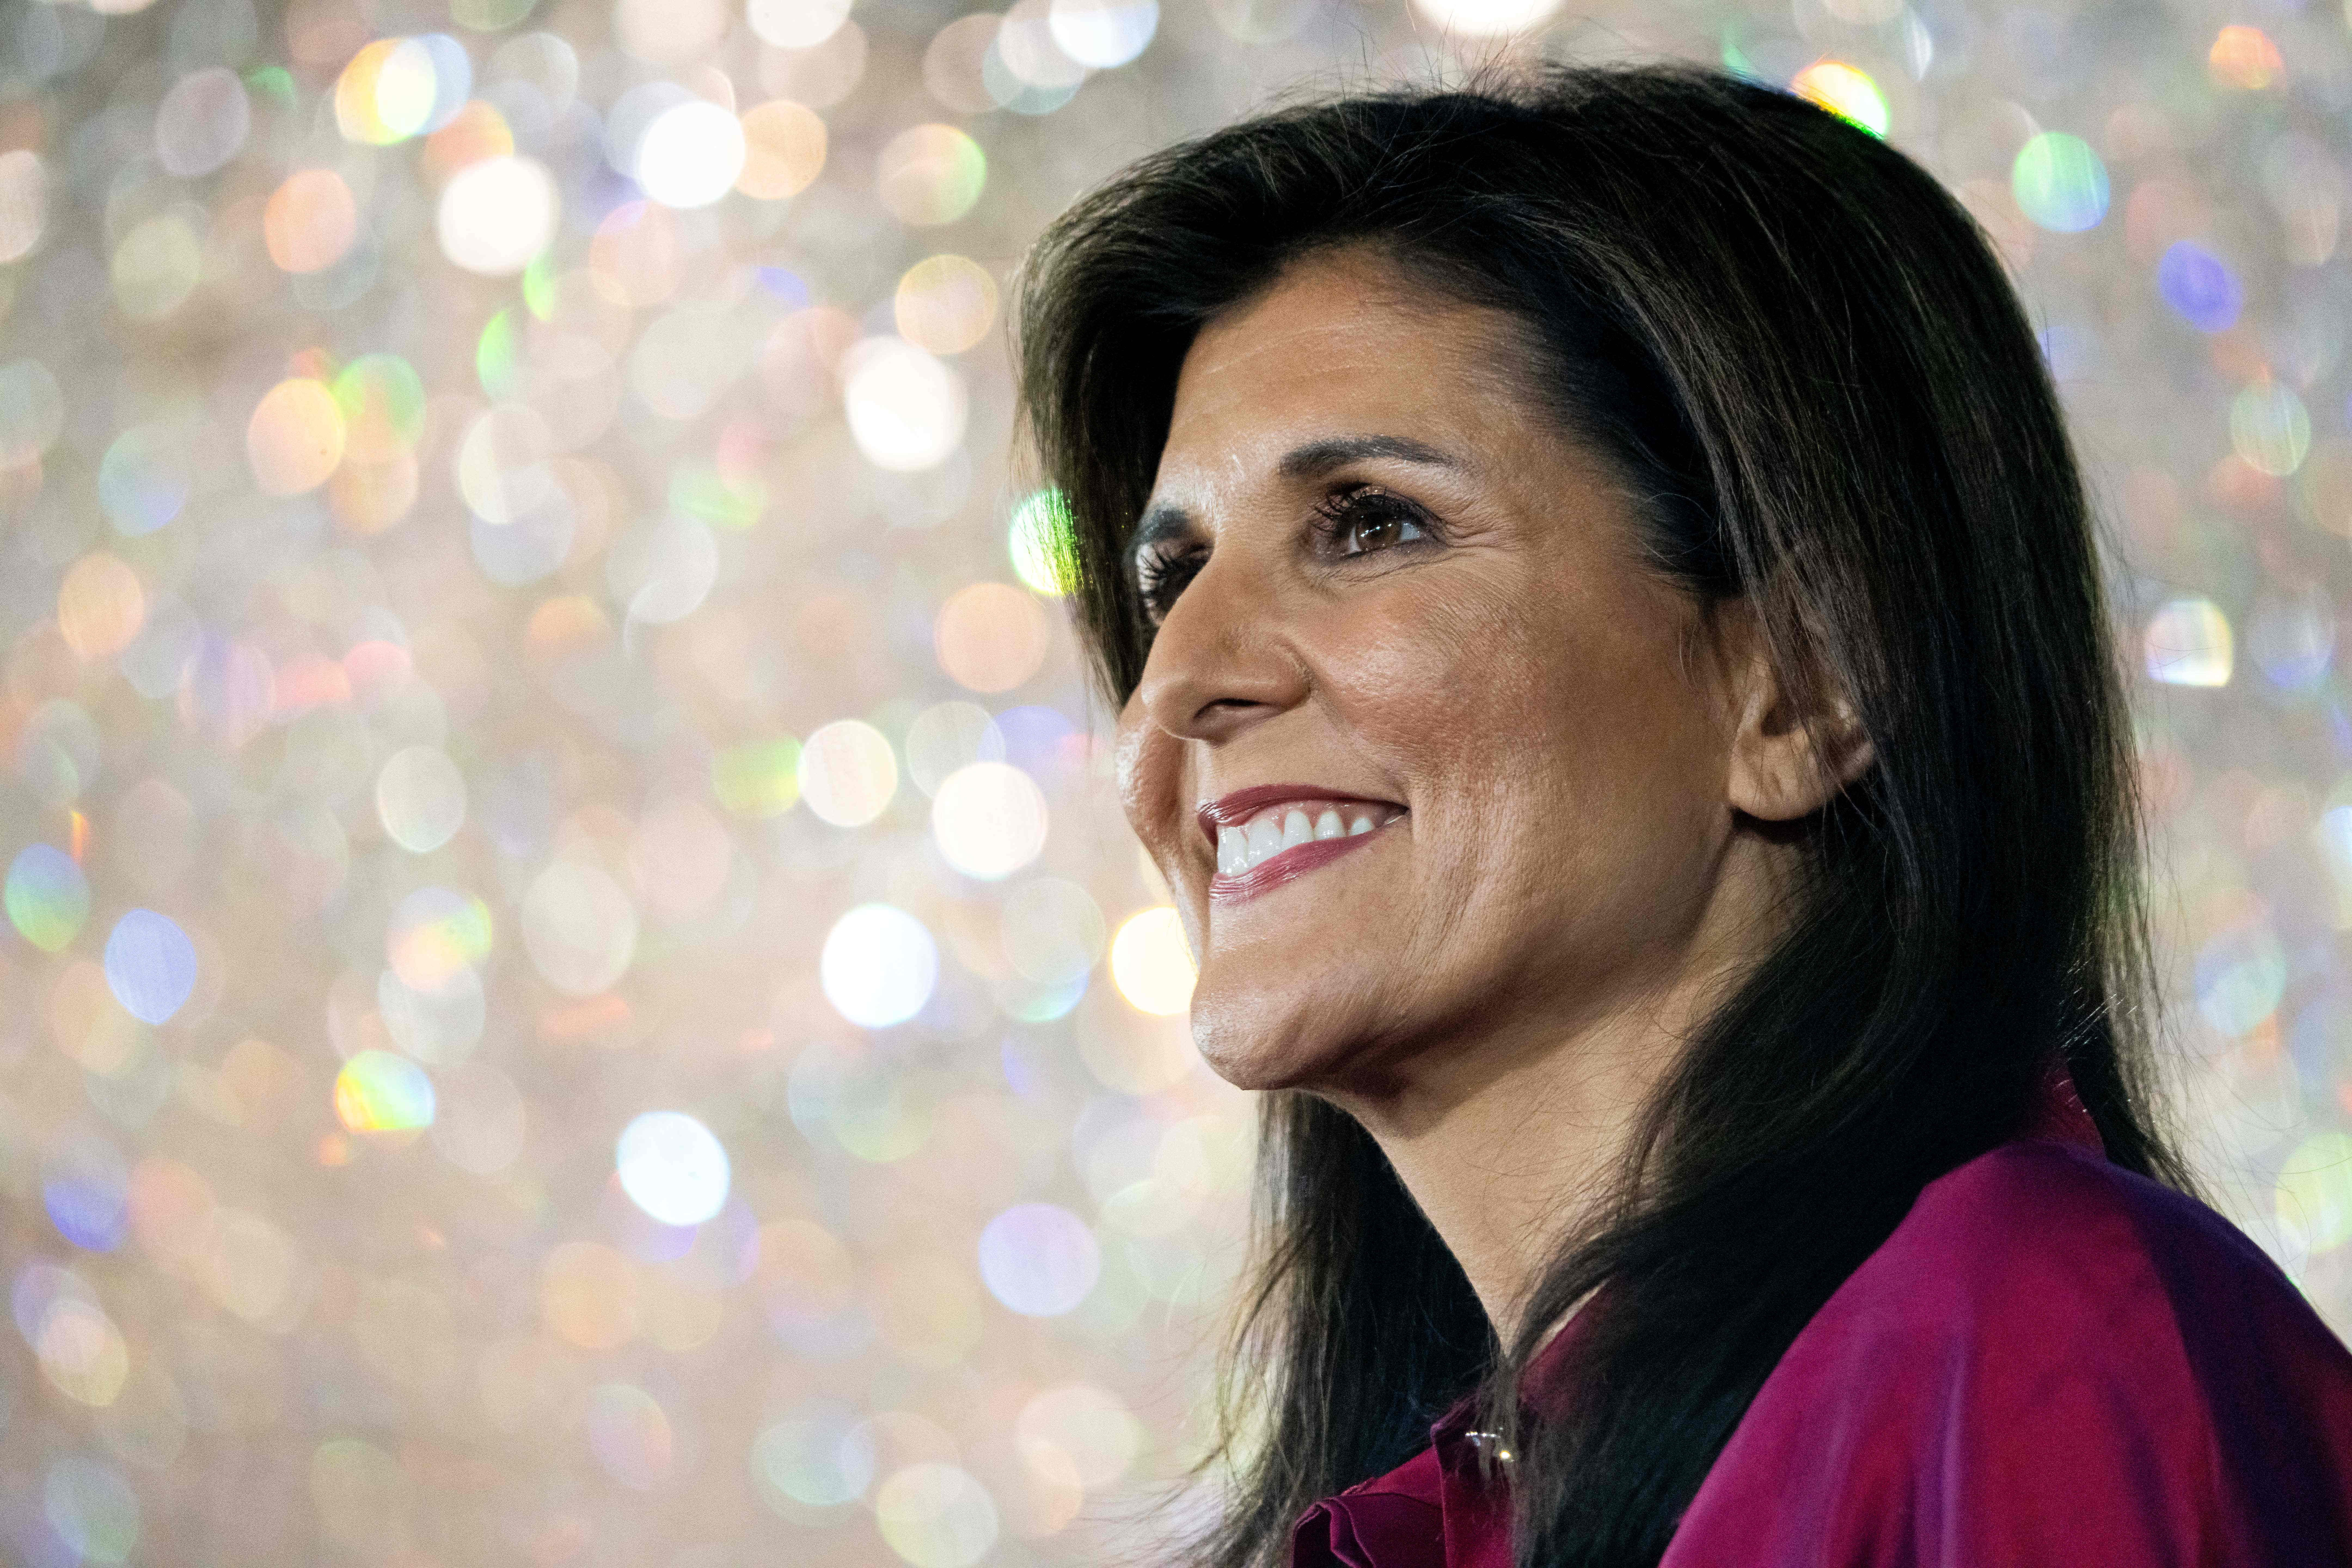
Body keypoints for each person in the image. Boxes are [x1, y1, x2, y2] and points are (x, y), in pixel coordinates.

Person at [1010, 61, 2352, 1568]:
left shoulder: (2035, 1336)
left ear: (1805, 692)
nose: (1178, 684)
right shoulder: (1428, 1522)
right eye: (1168, 579)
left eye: (1372, 523)